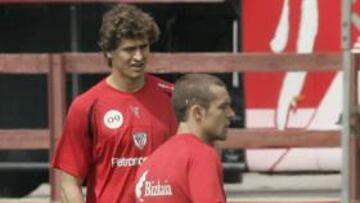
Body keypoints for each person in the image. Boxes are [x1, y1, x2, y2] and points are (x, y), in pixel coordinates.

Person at [52, 4, 177, 203]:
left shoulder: (172, 97)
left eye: (143, 47)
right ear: (109, 51)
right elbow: (69, 182)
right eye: (129, 49)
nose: (139, 56)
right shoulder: (86, 106)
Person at [135, 74, 235, 203]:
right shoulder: (201, 156)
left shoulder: (149, 163)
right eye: (223, 107)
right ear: (197, 112)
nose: (231, 114)